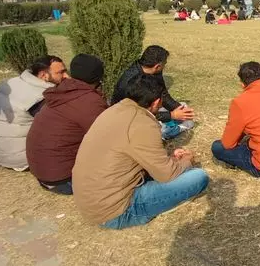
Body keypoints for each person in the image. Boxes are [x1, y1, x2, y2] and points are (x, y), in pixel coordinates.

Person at [73, 76, 209, 229]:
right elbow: (167, 175)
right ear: (156, 102)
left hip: (92, 202)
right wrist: (186, 161)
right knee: (198, 177)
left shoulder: (113, 110)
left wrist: (169, 159)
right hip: (117, 211)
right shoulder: (143, 124)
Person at [26, 54, 106, 195]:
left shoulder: (63, 92)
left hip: (44, 173)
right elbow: (108, 137)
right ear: (98, 78)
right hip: (63, 180)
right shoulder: (89, 100)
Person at [0, 56, 67, 171]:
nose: (66, 76)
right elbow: (60, 126)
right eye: (61, 72)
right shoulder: (40, 98)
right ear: (43, 75)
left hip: (2, 153)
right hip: (23, 158)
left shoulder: (12, 83)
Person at [111, 45, 195, 140]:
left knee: (183, 107)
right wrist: (172, 115)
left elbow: (162, 93)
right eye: (164, 64)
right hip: (130, 119)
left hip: (149, 109)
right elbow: (139, 114)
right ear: (157, 66)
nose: (164, 67)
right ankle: (177, 129)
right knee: (161, 131)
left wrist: (178, 108)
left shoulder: (155, 71)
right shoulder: (129, 82)